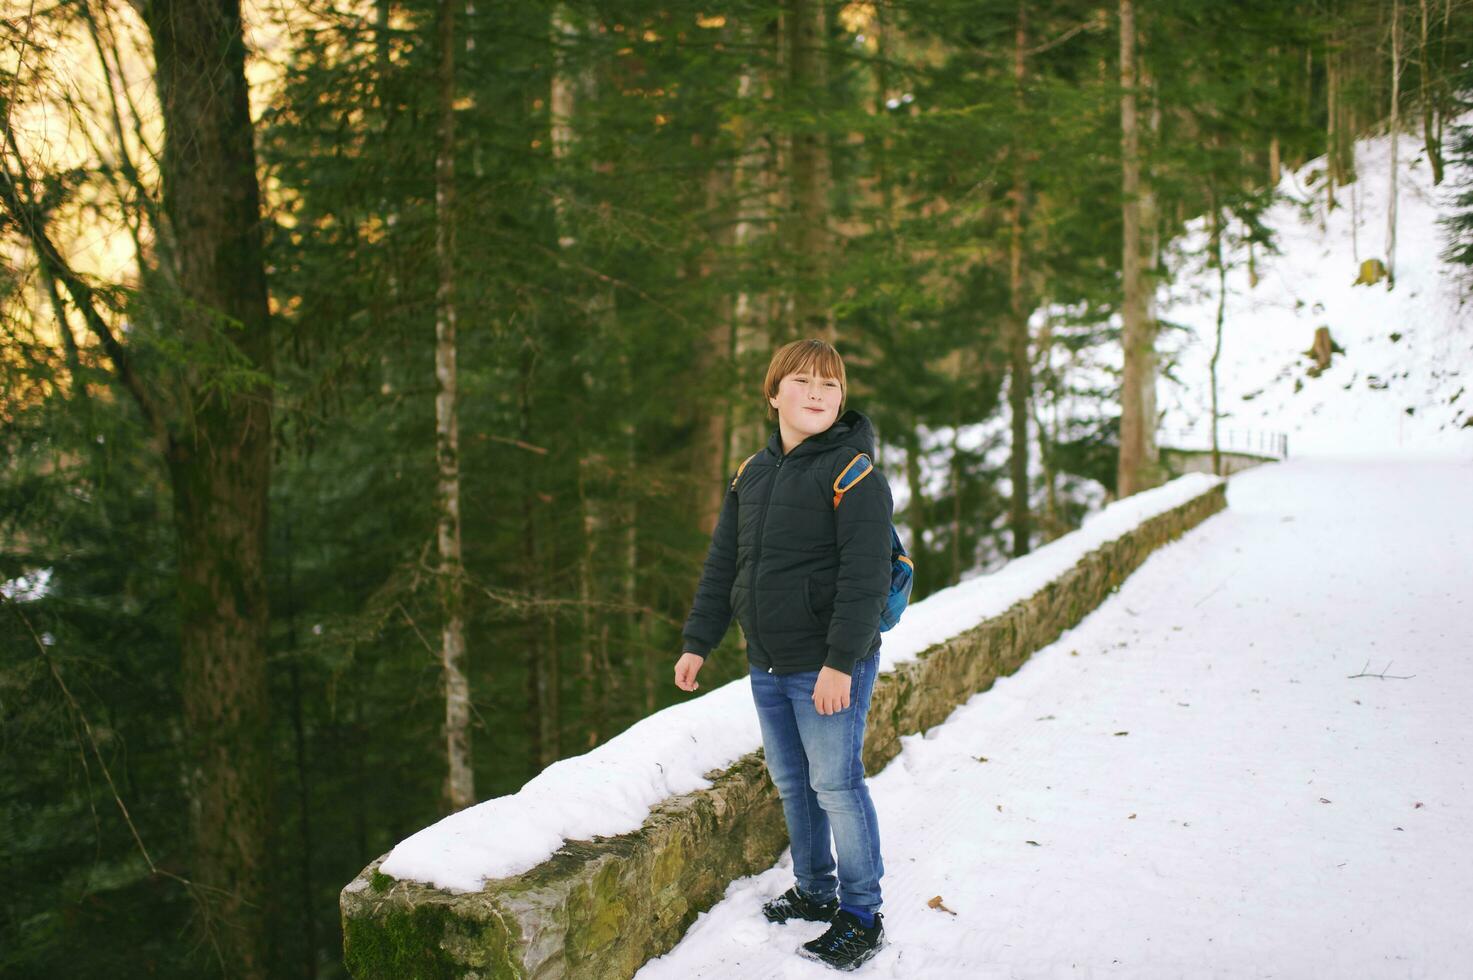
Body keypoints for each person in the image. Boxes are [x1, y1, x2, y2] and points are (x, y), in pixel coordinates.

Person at [674, 338, 893, 971]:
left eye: (831, 384)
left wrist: (839, 663)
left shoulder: (854, 474)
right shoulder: (752, 473)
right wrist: (698, 641)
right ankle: (817, 890)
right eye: (803, 381)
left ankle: (861, 913)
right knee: (793, 782)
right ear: (773, 394)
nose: (819, 393)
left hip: (827, 663)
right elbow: (724, 567)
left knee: (836, 784)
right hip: (766, 661)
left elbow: (864, 579)